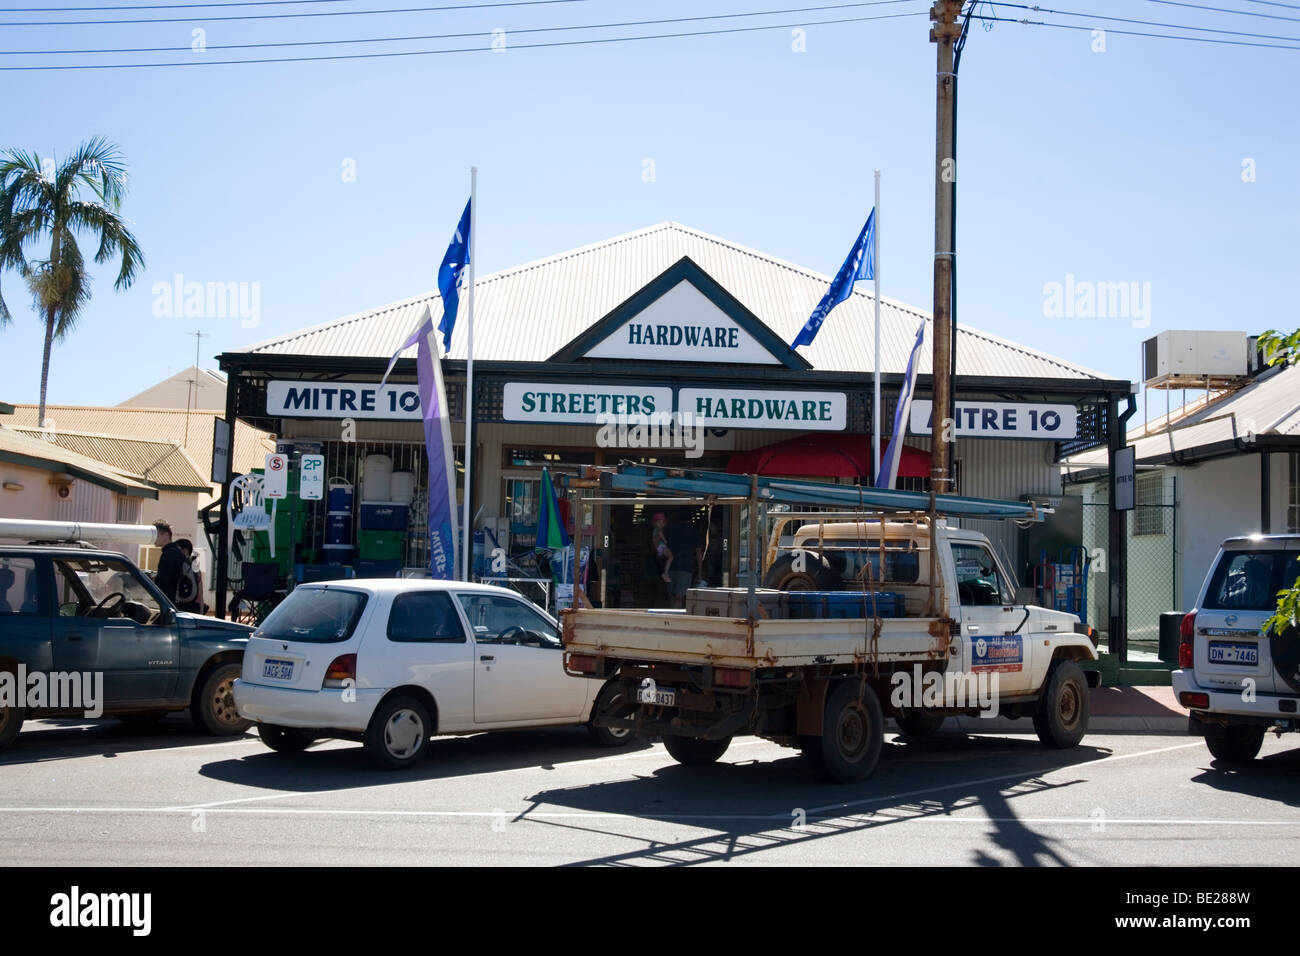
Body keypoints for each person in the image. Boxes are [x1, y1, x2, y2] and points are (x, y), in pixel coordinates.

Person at [664, 510, 704, 609]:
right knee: (679, 598)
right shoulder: (694, 531)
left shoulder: (669, 529)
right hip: (686, 567)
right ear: (690, 520)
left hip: (670, 567)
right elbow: (699, 553)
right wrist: (700, 572)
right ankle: (673, 621)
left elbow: (662, 547)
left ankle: (668, 618)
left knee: (671, 597)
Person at [152, 520, 186, 605]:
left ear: (166, 535)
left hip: (170, 604)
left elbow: (162, 582)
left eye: (156, 535)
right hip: (174, 602)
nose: (153, 538)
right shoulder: (175, 551)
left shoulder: (170, 554)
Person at [173, 539, 208, 614]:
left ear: (185, 550)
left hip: (181, 605)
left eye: (178, 549)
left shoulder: (180, 565)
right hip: (195, 606)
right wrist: (201, 610)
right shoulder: (195, 566)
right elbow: (200, 592)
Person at [649, 512, 673, 583]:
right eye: (659, 522)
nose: (661, 524)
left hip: (659, 548)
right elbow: (660, 535)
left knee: (669, 558)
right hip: (661, 546)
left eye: (662, 522)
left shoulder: (656, 530)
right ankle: (665, 573)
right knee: (671, 557)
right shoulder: (658, 530)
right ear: (655, 523)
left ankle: (665, 573)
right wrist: (665, 541)